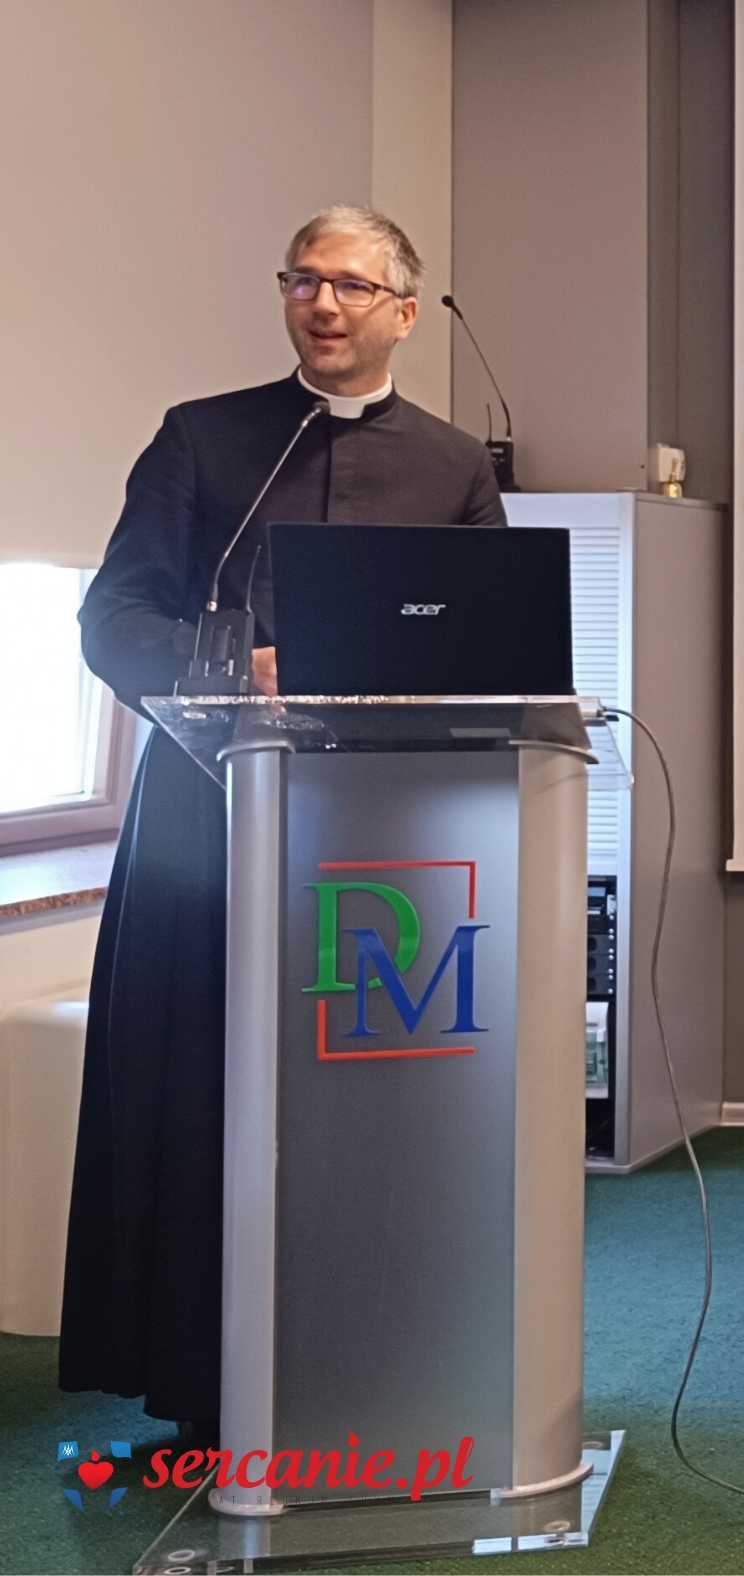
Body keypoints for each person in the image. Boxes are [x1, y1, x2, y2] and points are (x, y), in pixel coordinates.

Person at [61, 206, 505, 1437]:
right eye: (303, 280)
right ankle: (206, 1379)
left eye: (351, 285)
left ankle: (390, 1359)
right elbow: (113, 620)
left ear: (404, 312)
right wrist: (229, 667)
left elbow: (492, 644)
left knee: (377, 1106)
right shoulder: (203, 439)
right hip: (208, 820)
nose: (322, 303)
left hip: (383, 833)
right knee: (209, 1092)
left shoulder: (453, 466)